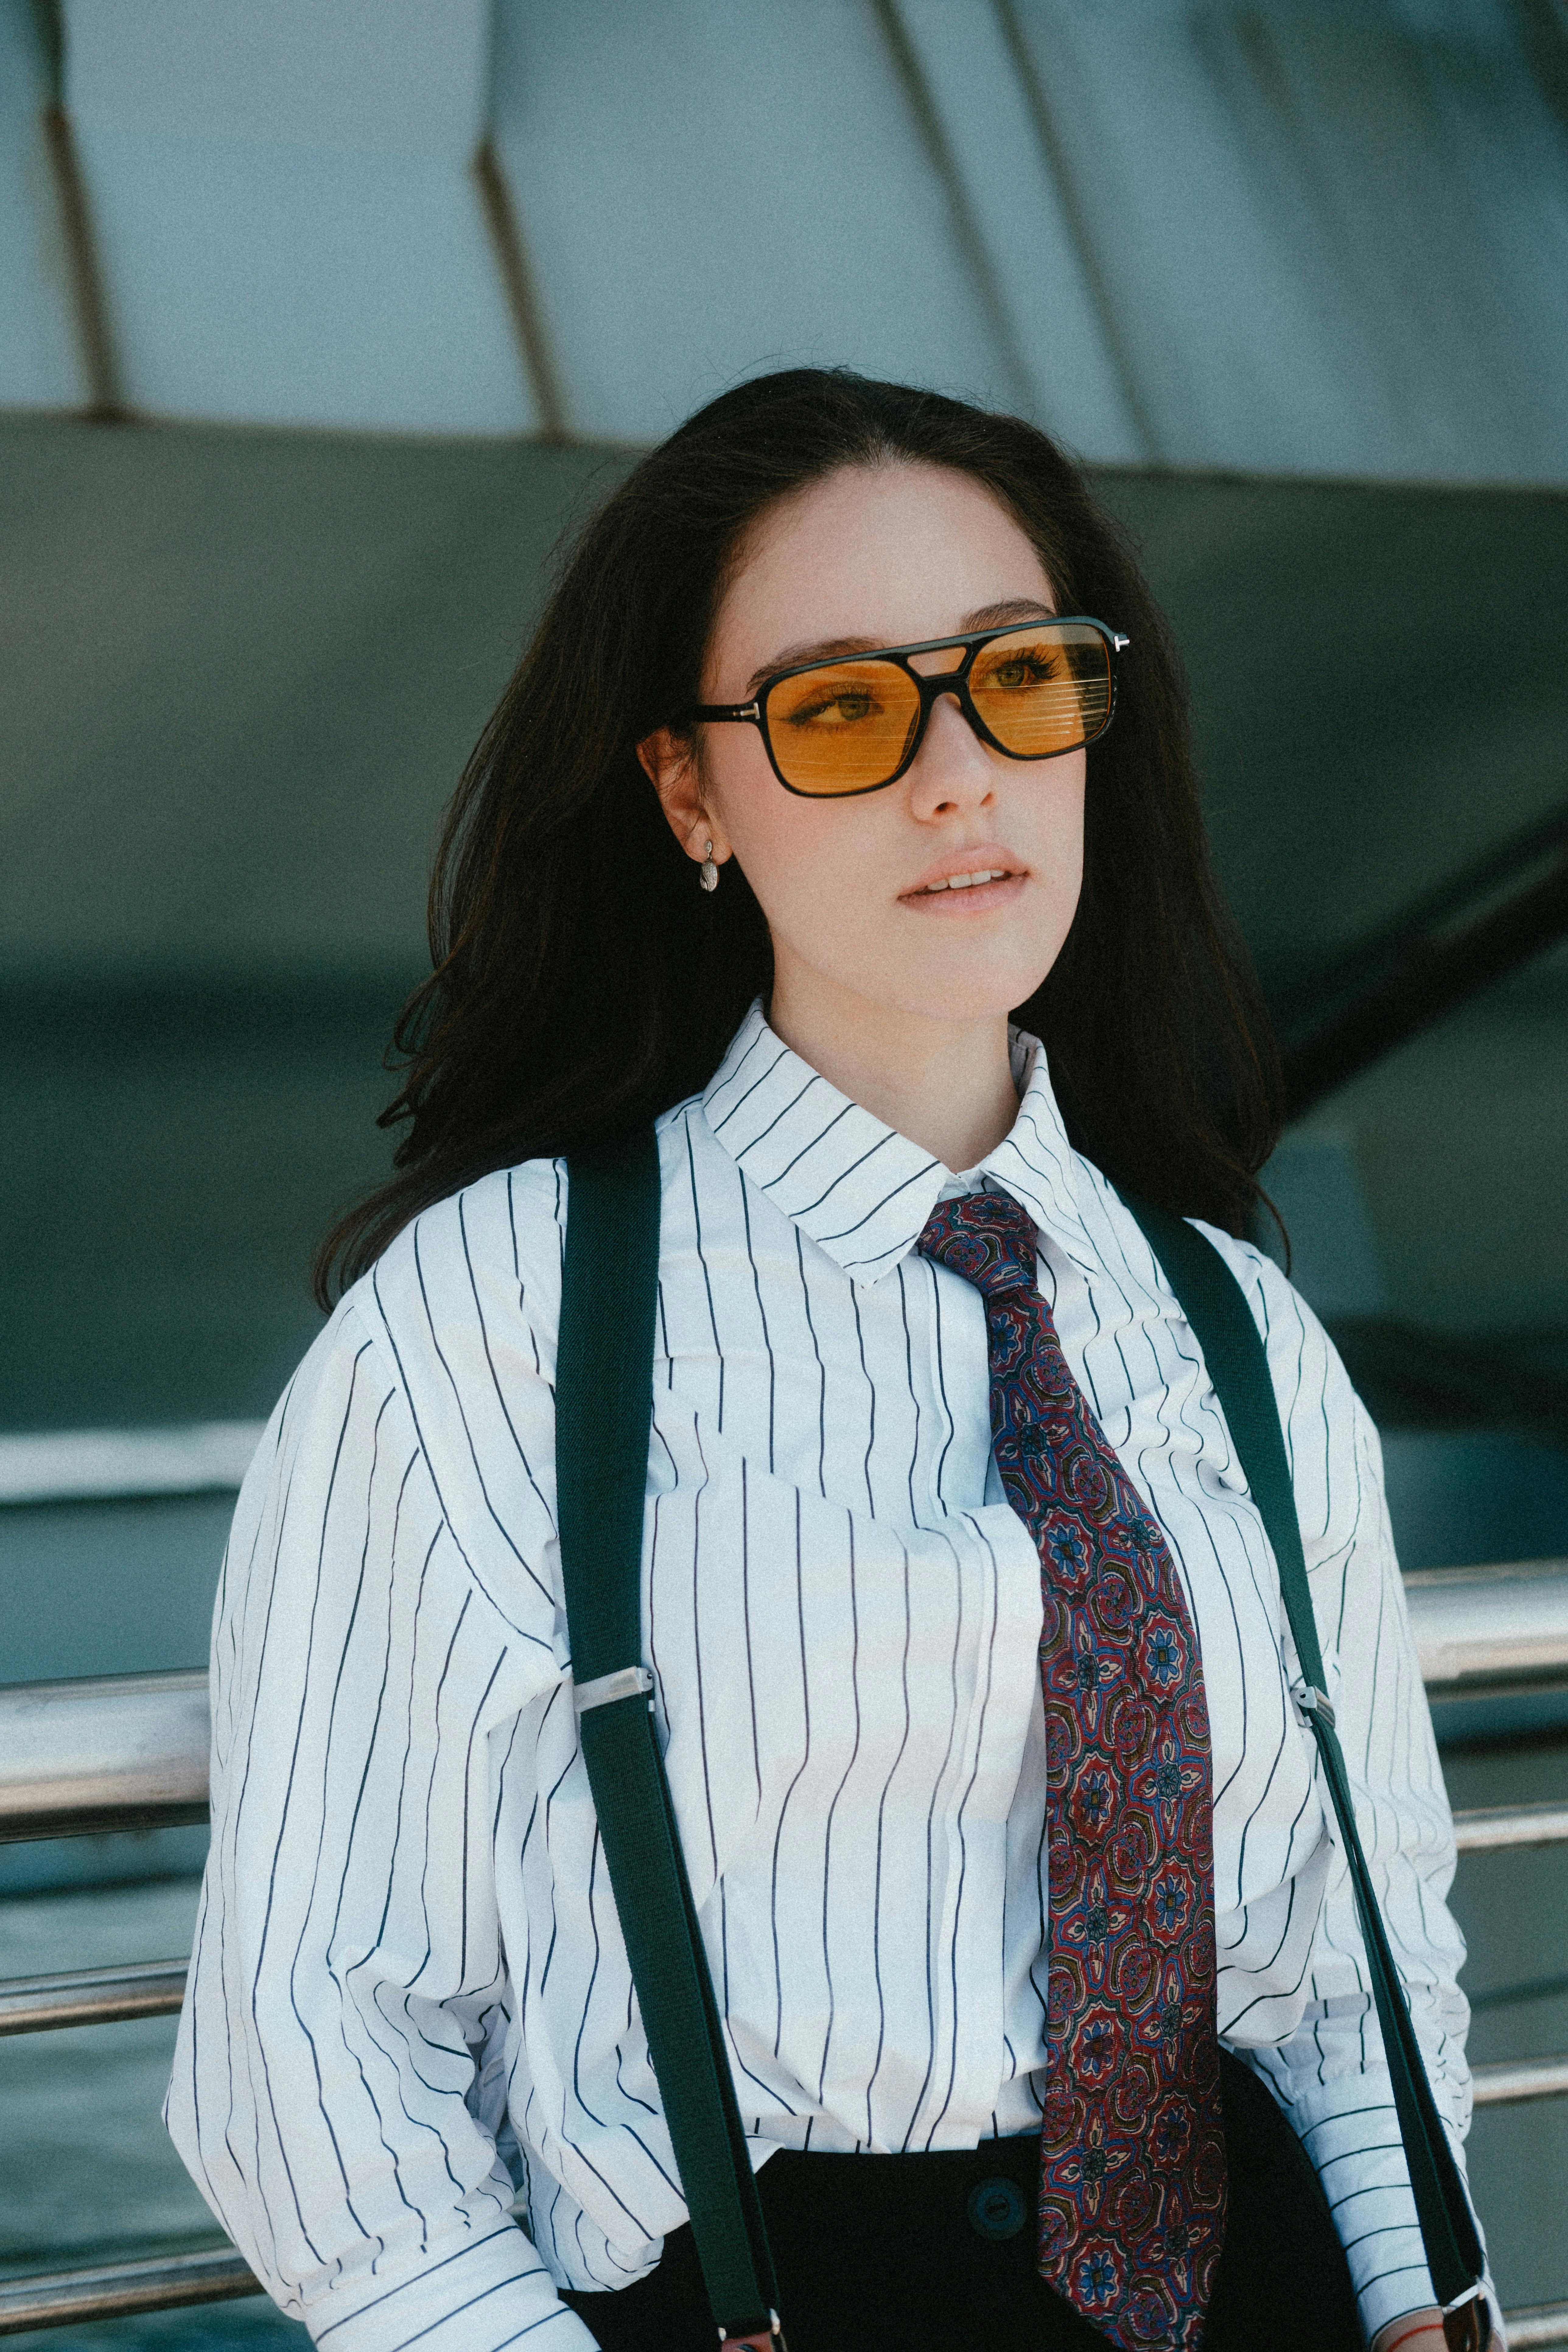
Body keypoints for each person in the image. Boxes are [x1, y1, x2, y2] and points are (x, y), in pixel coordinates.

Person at [165, 369, 1491, 2352]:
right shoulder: (495, 1321)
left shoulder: (1236, 1325)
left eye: (1020, 679)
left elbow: (1353, 1965)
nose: (960, 776)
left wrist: (1422, 2312)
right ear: (691, 795)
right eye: (844, 710)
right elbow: (311, 2051)